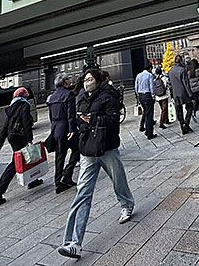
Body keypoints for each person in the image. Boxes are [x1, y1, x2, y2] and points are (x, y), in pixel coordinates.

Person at [58, 69, 135, 260]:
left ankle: (126, 203)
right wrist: (83, 123)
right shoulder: (81, 98)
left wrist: (93, 119)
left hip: (107, 147)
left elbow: (114, 120)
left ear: (98, 81)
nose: (87, 82)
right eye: (85, 79)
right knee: (82, 193)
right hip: (88, 149)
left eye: (90, 79)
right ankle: (73, 242)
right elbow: (78, 121)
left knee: (118, 179)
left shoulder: (108, 95)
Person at [0, 87, 42, 204]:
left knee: (26, 158)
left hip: (12, 136)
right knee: (15, 163)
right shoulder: (24, 105)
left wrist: (0, 141)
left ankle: (32, 180)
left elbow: (6, 125)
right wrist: (29, 139)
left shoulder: (12, 106)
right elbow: (26, 122)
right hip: (20, 136)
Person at [47, 74, 79, 194]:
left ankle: (58, 181)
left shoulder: (52, 97)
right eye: (68, 79)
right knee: (77, 149)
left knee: (59, 155)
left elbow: (51, 116)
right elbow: (71, 114)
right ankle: (67, 174)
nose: (70, 80)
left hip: (56, 128)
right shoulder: (69, 94)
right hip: (66, 126)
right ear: (65, 82)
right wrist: (72, 129)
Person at [168, 55, 193, 134]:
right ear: (181, 61)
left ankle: (183, 126)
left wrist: (171, 95)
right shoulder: (182, 70)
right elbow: (186, 83)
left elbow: (170, 85)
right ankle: (186, 123)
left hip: (175, 93)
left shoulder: (170, 71)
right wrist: (190, 94)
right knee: (190, 106)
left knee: (179, 111)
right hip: (183, 92)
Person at [134, 62, 157, 139]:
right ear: (150, 68)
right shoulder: (150, 75)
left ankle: (147, 130)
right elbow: (151, 87)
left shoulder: (138, 75)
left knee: (146, 113)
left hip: (141, 96)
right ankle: (150, 133)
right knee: (149, 115)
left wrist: (138, 97)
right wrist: (153, 97)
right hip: (147, 95)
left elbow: (136, 87)